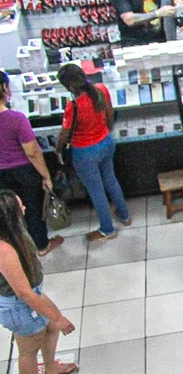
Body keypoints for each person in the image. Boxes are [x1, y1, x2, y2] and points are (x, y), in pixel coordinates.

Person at [0, 190, 76, 374]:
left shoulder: (14, 231)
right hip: (19, 304)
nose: (24, 208)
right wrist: (59, 317)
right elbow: (23, 293)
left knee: (50, 327)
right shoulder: (4, 249)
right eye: (19, 206)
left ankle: (50, 368)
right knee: (28, 350)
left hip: (31, 294)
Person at [55, 64, 131, 242]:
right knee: (111, 179)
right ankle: (124, 215)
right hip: (106, 142)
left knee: (96, 190)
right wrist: (106, 131)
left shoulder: (73, 106)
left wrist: (58, 150)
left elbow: (64, 133)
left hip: (85, 152)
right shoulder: (100, 90)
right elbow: (110, 114)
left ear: (71, 87)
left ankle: (107, 229)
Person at [0, 73, 61, 256]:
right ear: (4, 88)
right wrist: (46, 175)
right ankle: (41, 246)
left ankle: (20, 248)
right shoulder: (17, 119)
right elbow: (33, 152)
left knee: (9, 212)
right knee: (33, 208)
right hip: (23, 171)